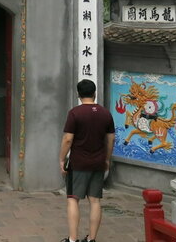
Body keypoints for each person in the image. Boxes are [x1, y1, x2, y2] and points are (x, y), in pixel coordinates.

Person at [59, 79, 116, 242]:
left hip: (78, 163)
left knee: (73, 199)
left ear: (78, 94)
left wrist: (61, 159)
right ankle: (91, 239)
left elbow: (68, 139)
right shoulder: (106, 113)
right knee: (95, 200)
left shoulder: (75, 113)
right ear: (94, 93)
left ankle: (72, 239)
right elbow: (111, 139)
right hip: (98, 162)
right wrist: (107, 159)